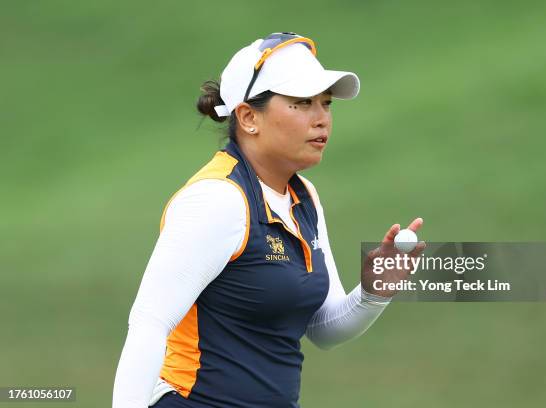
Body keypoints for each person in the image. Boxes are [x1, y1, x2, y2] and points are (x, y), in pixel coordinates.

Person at [112, 32, 425, 408]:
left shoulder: (303, 197)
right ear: (248, 117)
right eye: (302, 103)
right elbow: (149, 323)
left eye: (325, 104)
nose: (322, 118)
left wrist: (374, 291)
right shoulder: (218, 199)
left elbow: (324, 328)